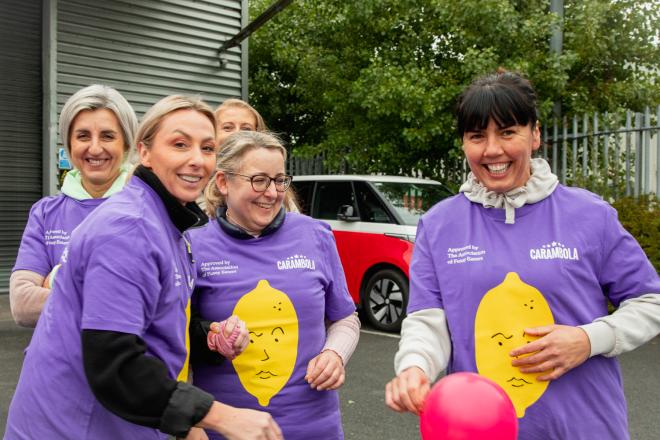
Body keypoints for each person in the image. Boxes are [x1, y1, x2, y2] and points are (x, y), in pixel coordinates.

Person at [385, 71, 660, 439]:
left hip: (586, 427)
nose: (492, 149)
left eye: (508, 132)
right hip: (481, 430)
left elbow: (650, 300)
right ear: (464, 144)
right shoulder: (439, 225)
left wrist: (589, 340)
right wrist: (415, 367)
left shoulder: (590, 215)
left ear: (535, 135)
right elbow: (427, 320)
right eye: (477, 136)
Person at [5, 95, 282, 440]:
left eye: (207, 148)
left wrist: (207, 335)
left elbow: (154, 326)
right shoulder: (129, 229)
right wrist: (217, 416)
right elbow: (116, 365)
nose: (196, 159)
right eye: (180, 144)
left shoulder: (166, 224)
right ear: (145, 152)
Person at [187, 130, 360, 439]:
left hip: (314, 427)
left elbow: (345, 316)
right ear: (224, 183)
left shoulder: (315, 235)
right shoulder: (192, 245)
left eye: (279, 180)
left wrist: (335, 354)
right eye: (259, 180)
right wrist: (190, 424)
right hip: (225, 430)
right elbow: (174, 338)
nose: (271, 192)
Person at [9, 84, 137, 327]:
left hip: (125, 362)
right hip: (55, 362)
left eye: (108, 136)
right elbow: (22, 305)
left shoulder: (147, 208)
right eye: (83, 136)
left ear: (127, 144)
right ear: (69, 144)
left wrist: (57, 278)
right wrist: (107, 296)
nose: (95, 148)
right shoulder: (45, 212)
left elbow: (150, 299)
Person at [213, 98, 299, 212]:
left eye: (246, 129)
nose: (238, 133)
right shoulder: (195, 182)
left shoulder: (280, 194)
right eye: (228, 127)